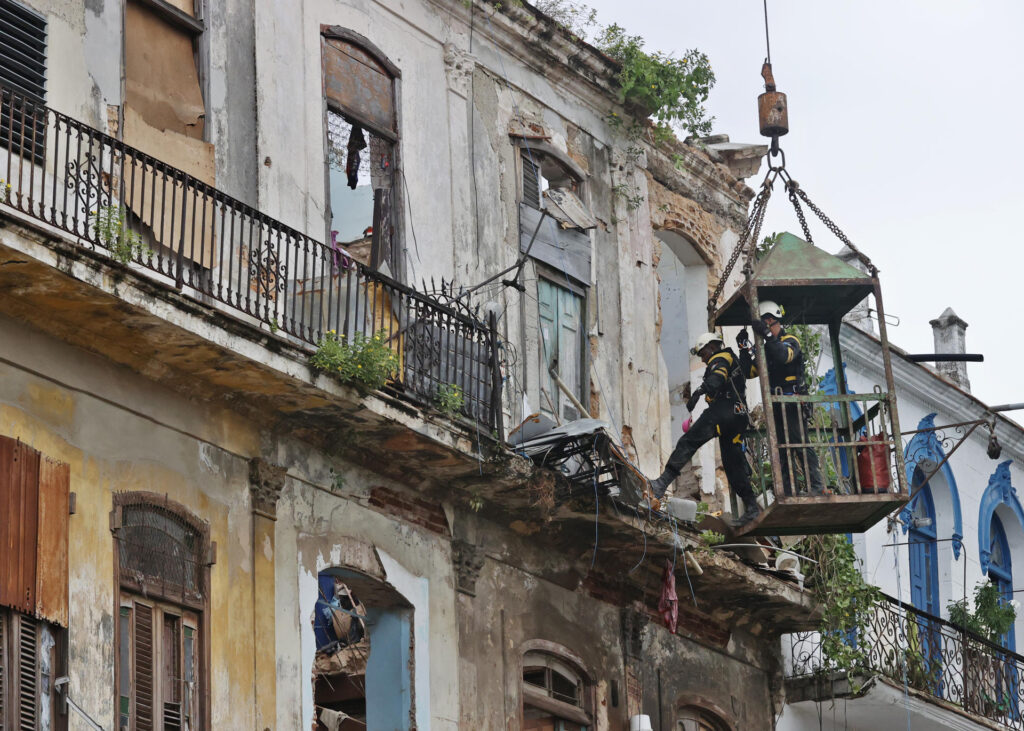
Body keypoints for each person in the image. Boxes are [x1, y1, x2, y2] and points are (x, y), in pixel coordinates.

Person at [649, 333, 760, 524]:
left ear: (711, 347)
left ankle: (661, 483)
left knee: (688, 442)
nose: (703, 358)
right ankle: (751, 507)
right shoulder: (734, 359)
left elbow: (718, 377)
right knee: (733, 464)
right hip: (739, 415)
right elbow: (749, 373)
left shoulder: (720, 357)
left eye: (703, 353)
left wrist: (699, 392)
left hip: (723, 412)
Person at [739, 300, 825, 496]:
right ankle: (788, 489)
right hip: (776, 405)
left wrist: (768, 335)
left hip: (793, 402)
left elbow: (784, 356)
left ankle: (816, 487)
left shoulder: (790, 340)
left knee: (799, 443)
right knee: (781, 448)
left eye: (763, 324)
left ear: (769, 321)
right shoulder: (766, 348)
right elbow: (749, 371)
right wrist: (743, 349)